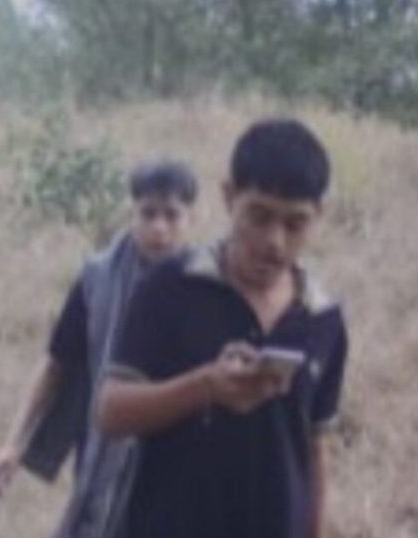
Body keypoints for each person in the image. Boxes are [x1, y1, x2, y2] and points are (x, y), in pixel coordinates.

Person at [98, 118, 348, 538]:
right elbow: (110, 412)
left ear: (318, 216)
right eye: (259, 216)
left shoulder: (323, 317)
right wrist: (204, 387)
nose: (274, 241)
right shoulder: (169, 287)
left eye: (295, 224)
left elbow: (314, 448)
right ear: (229, 197)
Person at [0, 161, 198, 537]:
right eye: (148, 214)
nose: (159, 228)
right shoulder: (98, 280)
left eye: (171, 215)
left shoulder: (206, 289)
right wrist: (13, 443)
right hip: (103, 450)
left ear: (191, 219)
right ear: (131, 215)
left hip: (176, 463)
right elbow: (56, 364)